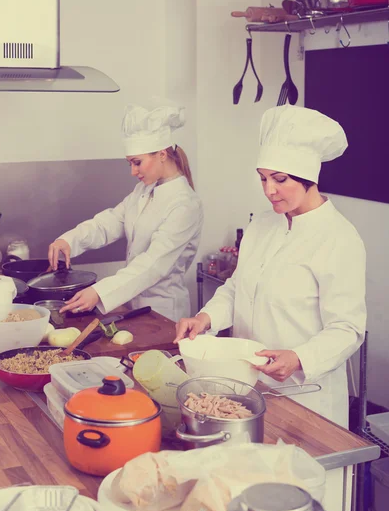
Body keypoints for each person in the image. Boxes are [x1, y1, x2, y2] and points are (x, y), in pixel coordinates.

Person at [174, 105, 367, 428]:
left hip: (305, 395)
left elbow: (347, 329)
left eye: (279, 179)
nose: (268, 190)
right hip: (247, 388)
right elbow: (237, 288)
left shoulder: (339, 238)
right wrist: (206, 318)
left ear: (309, 179)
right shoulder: (262, 225)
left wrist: (299, 358)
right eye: (263, 178)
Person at [48, 101, 203, 322]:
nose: (133, 172)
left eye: (137, 163)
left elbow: (153, 264)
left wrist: (100, 292)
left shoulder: (186, 205)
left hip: (164, 313)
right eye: (130, 163)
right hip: (134, 305)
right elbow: (110, 222)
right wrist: (69, 241)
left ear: (161, 154)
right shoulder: (144, 190)